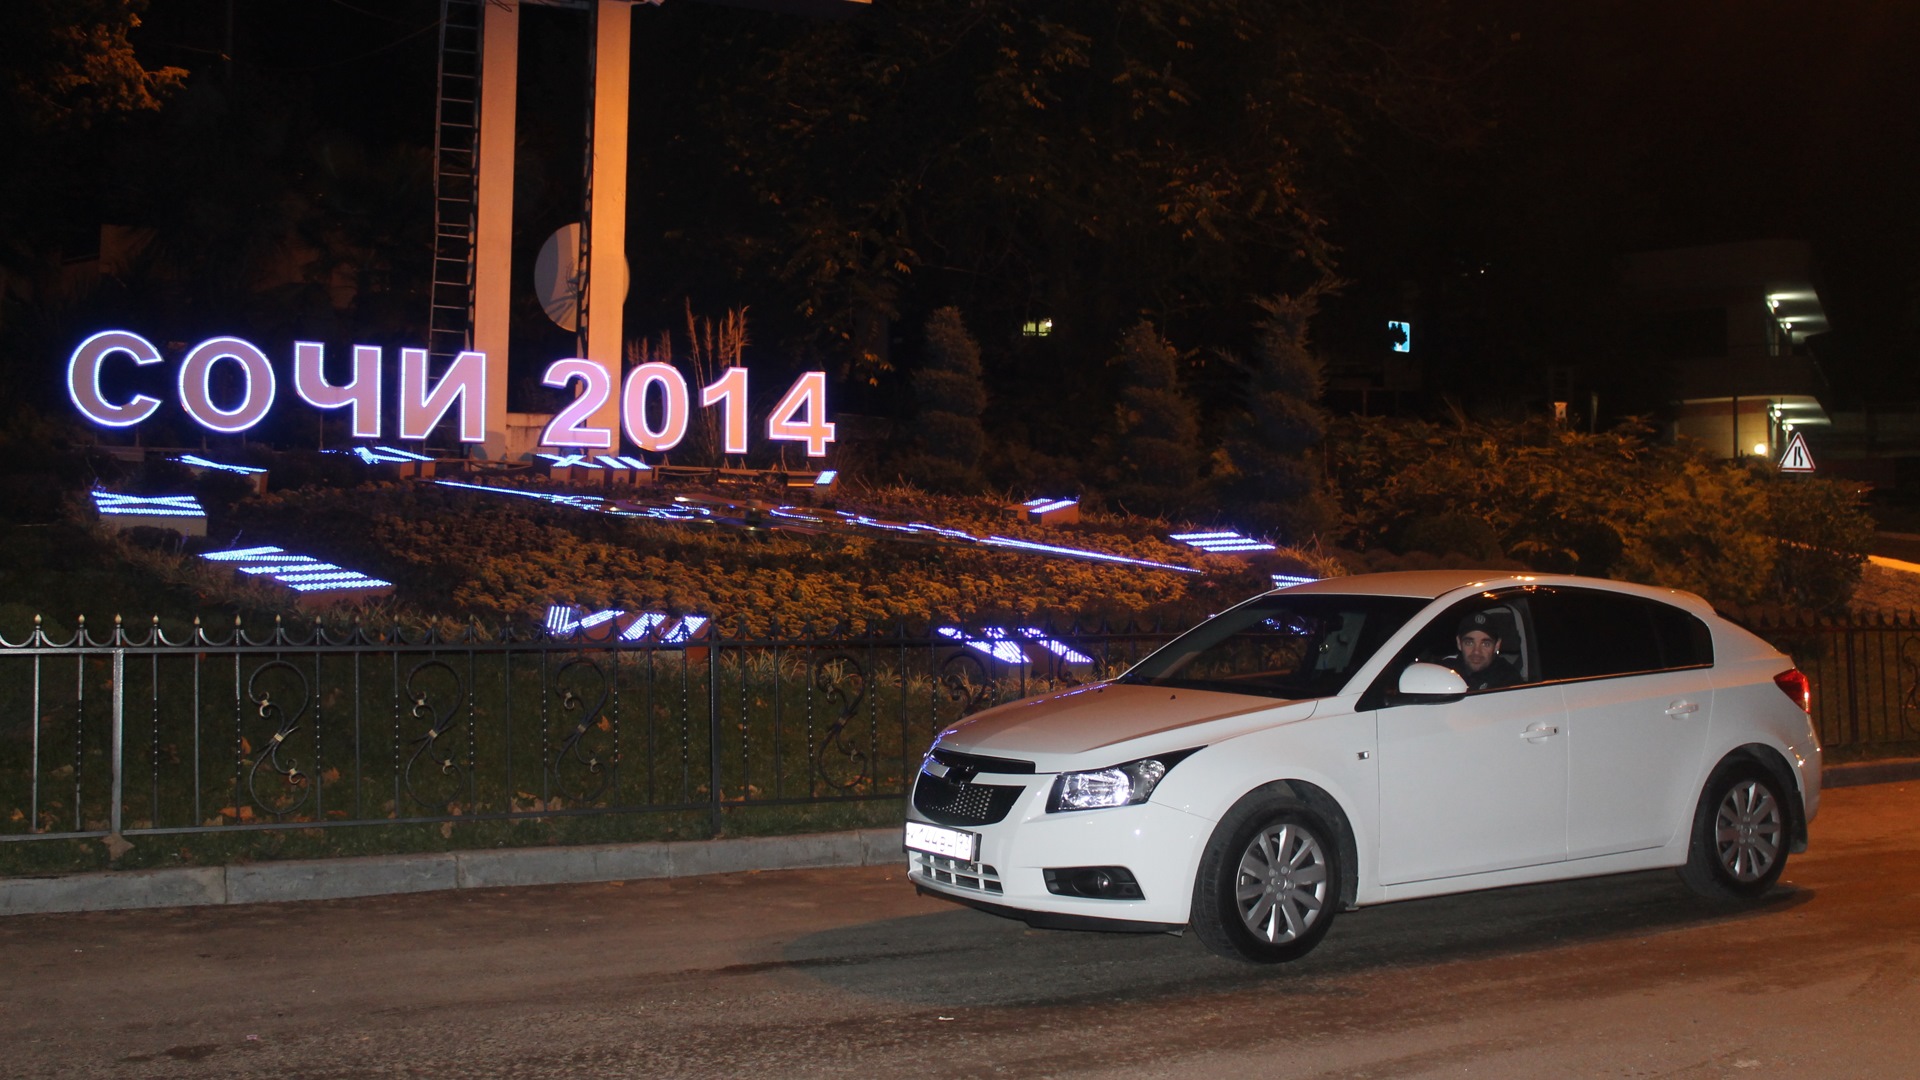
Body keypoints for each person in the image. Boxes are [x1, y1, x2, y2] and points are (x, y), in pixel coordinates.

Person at [1445, 611, 1522, 691]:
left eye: (1485, 644)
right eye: (1469, 643)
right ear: (1459, 643)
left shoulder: (1508, 678)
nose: (1476, 651)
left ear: (1497, 645)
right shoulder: (1446, 671)